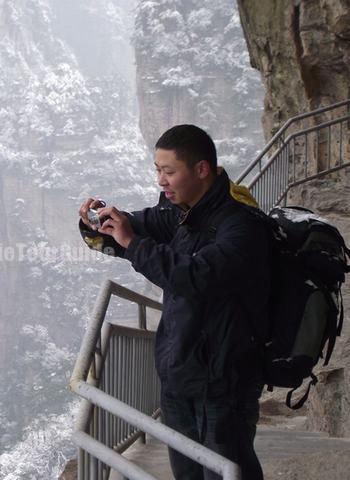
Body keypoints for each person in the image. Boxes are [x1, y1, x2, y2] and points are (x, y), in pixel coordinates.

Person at [78, 124, 270, 480]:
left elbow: (195, 277)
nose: (161, 181)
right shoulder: (180, 213)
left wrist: (134, 244)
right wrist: (98, 224)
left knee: (227, 471)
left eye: (169, 172)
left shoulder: (240, 225)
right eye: (158, 171)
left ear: (201, 170)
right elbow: (134, 227)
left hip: (224, 383)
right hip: (180, 376)